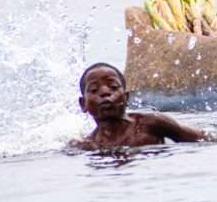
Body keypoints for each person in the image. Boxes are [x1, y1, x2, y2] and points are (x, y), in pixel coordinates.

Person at [71, 62, 208, 149]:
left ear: (126, 97)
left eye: (113, 87)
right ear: (83, 104)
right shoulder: (89, 146)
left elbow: (203, 140)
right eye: (94, 90)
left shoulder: (150, 124)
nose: (105, 93)